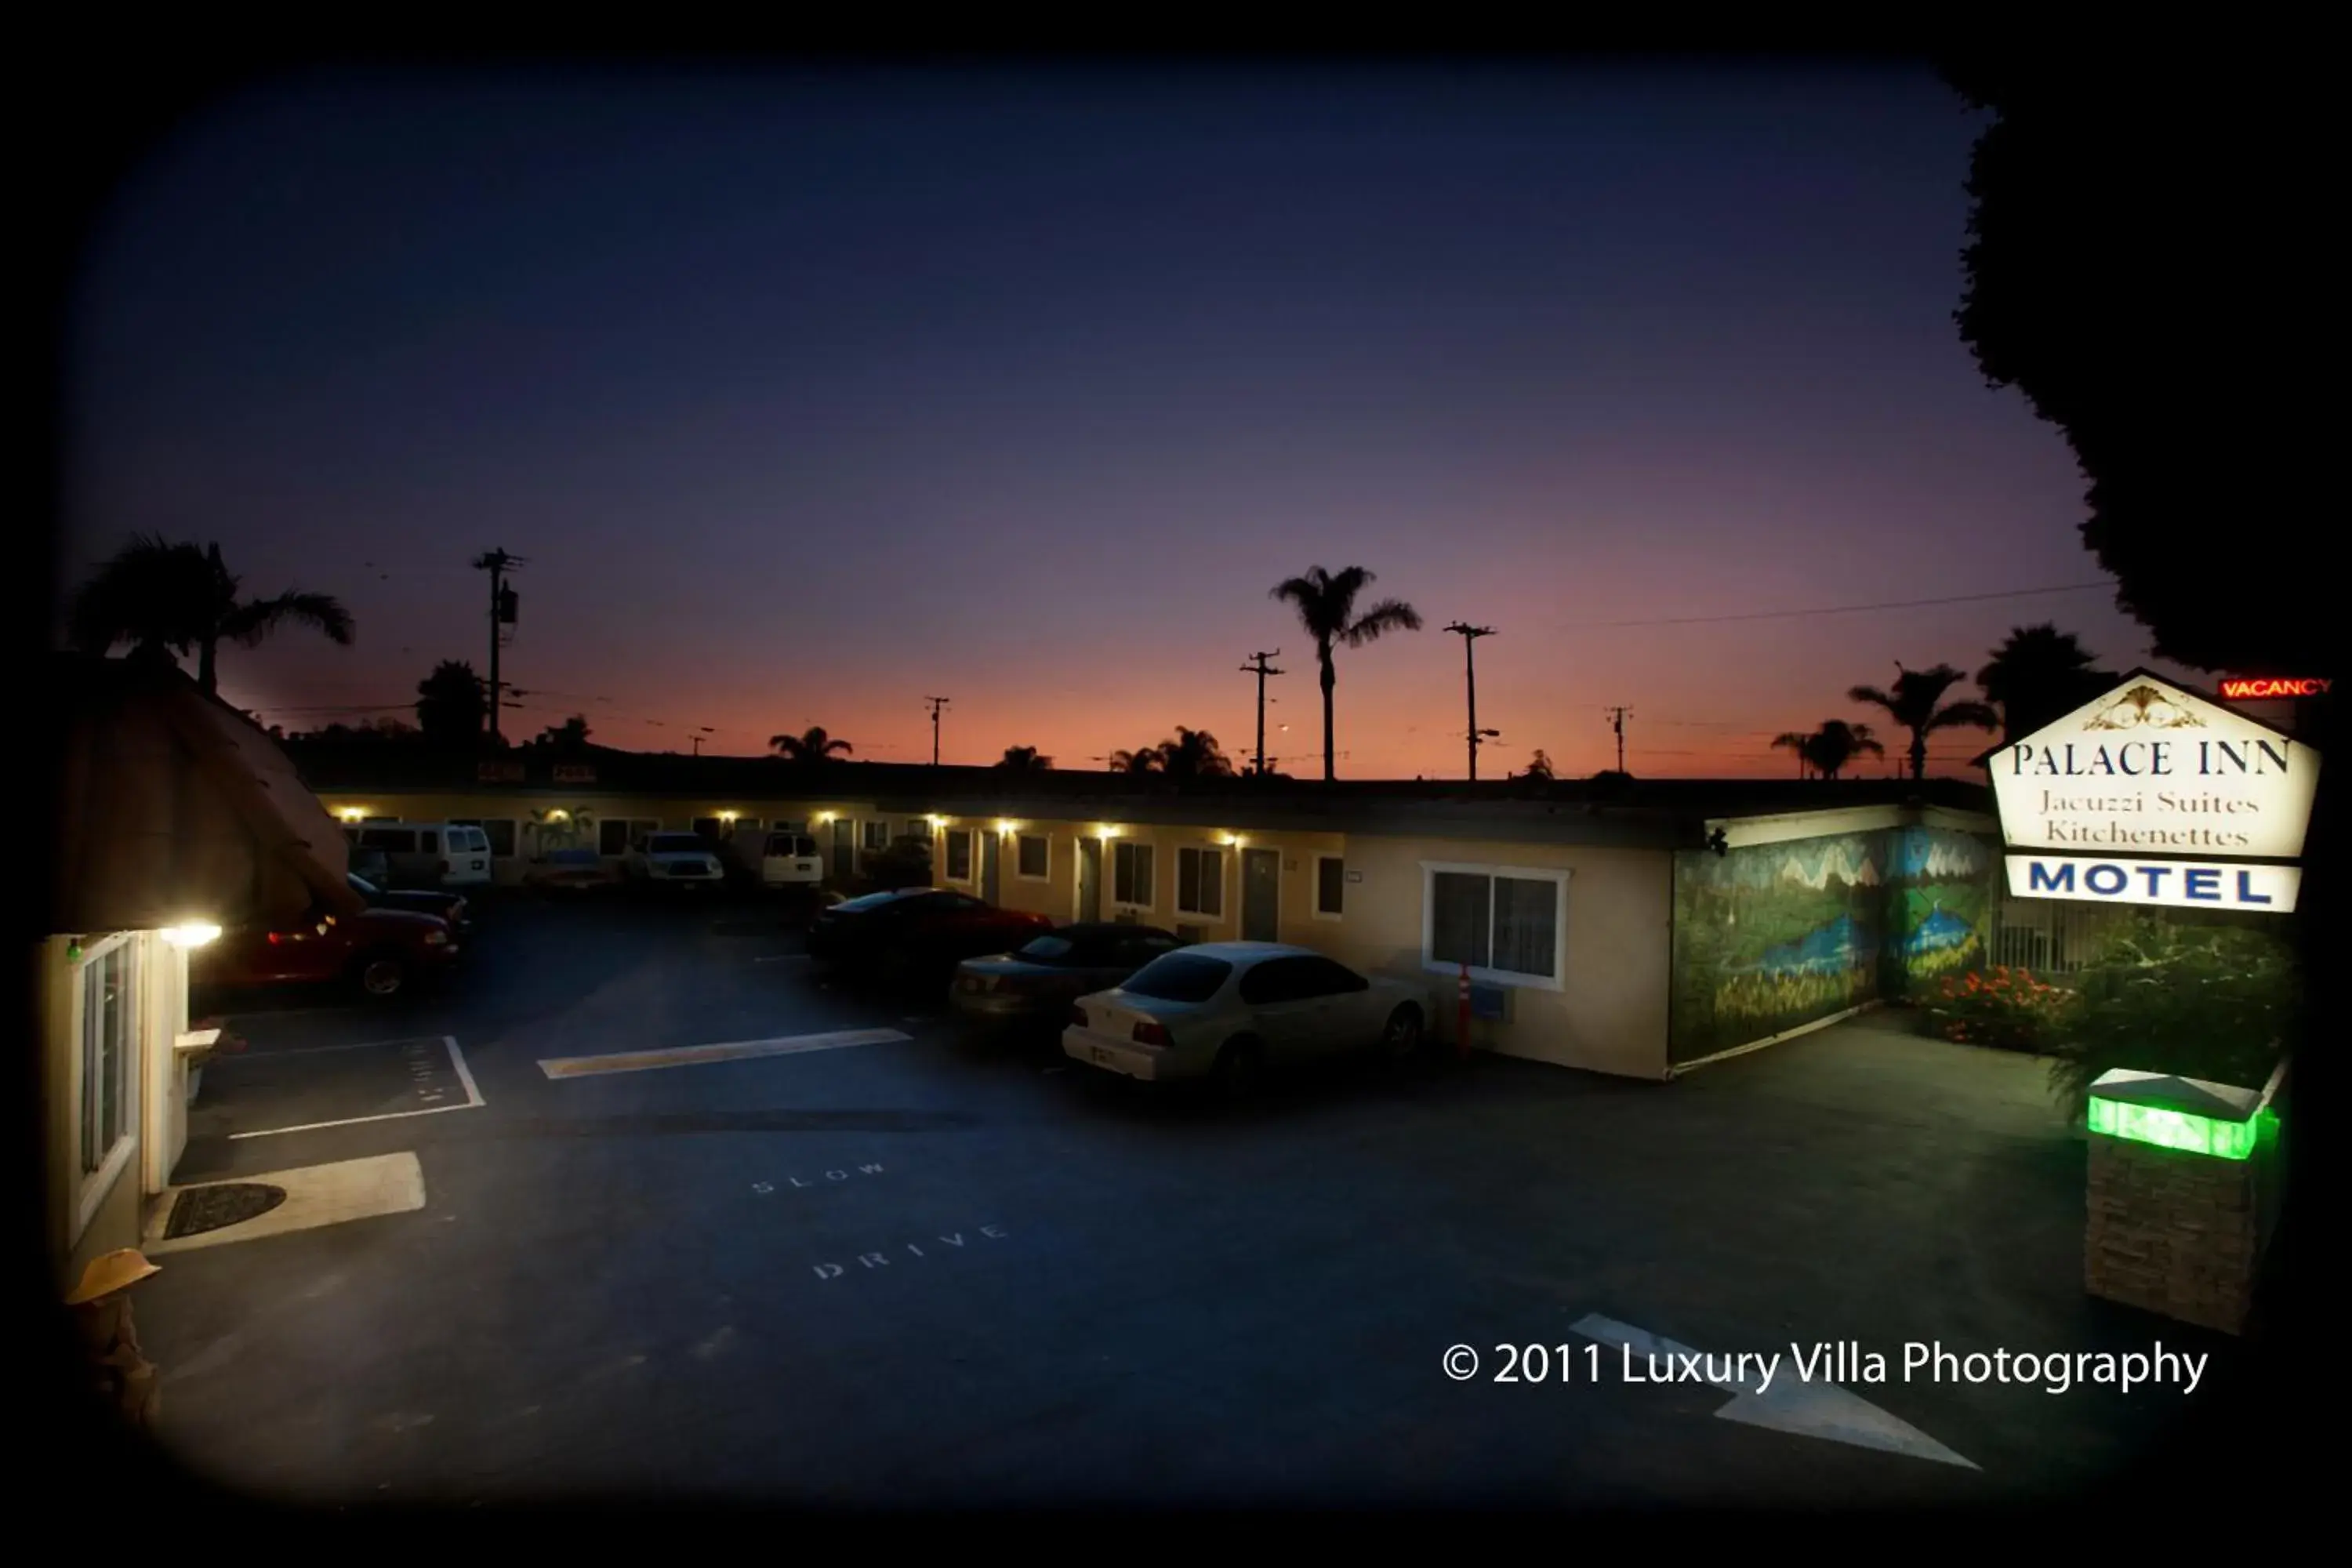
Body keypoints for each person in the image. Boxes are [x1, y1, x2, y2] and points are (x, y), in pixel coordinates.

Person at [67, 1248, 162, 1430]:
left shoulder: (120, 1301)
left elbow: (125, 1330)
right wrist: (109, 1362)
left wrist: (132, 1355)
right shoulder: (82, 1315)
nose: (132, 1286)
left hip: (112, 1357)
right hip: (94, 1366)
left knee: (144, 1376)